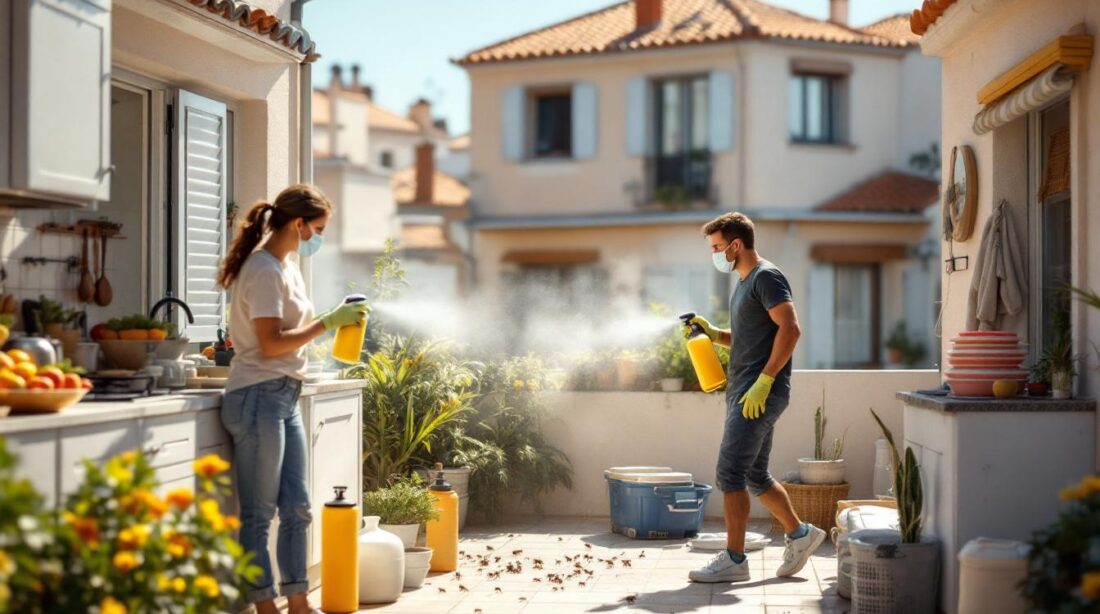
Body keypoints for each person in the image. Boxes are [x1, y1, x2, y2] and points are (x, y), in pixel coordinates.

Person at [215, 184, 369, 614]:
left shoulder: (289, 267)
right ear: (298, 223)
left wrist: (338, 321)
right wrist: (329, 321)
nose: (318, 239)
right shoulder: (263, 269)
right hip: (256, 396)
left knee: (298, 507)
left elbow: (292, 336)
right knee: (259, 514)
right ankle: (265, 605)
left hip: (284, 394)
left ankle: (298, 602)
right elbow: (269, 344)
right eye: (317, 230)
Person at [684, 212, 825, 583]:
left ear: (735, 245)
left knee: (729, 472)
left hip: (758, 393)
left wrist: (765, 380)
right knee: (754, 475)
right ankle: (801, 534)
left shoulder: (766, 276)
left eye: (717, 247)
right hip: (745, 392)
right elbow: (751, 338)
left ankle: (734, 559)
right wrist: (715, 334)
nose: (714, 254)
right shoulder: (745, 282)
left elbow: (790, 329)